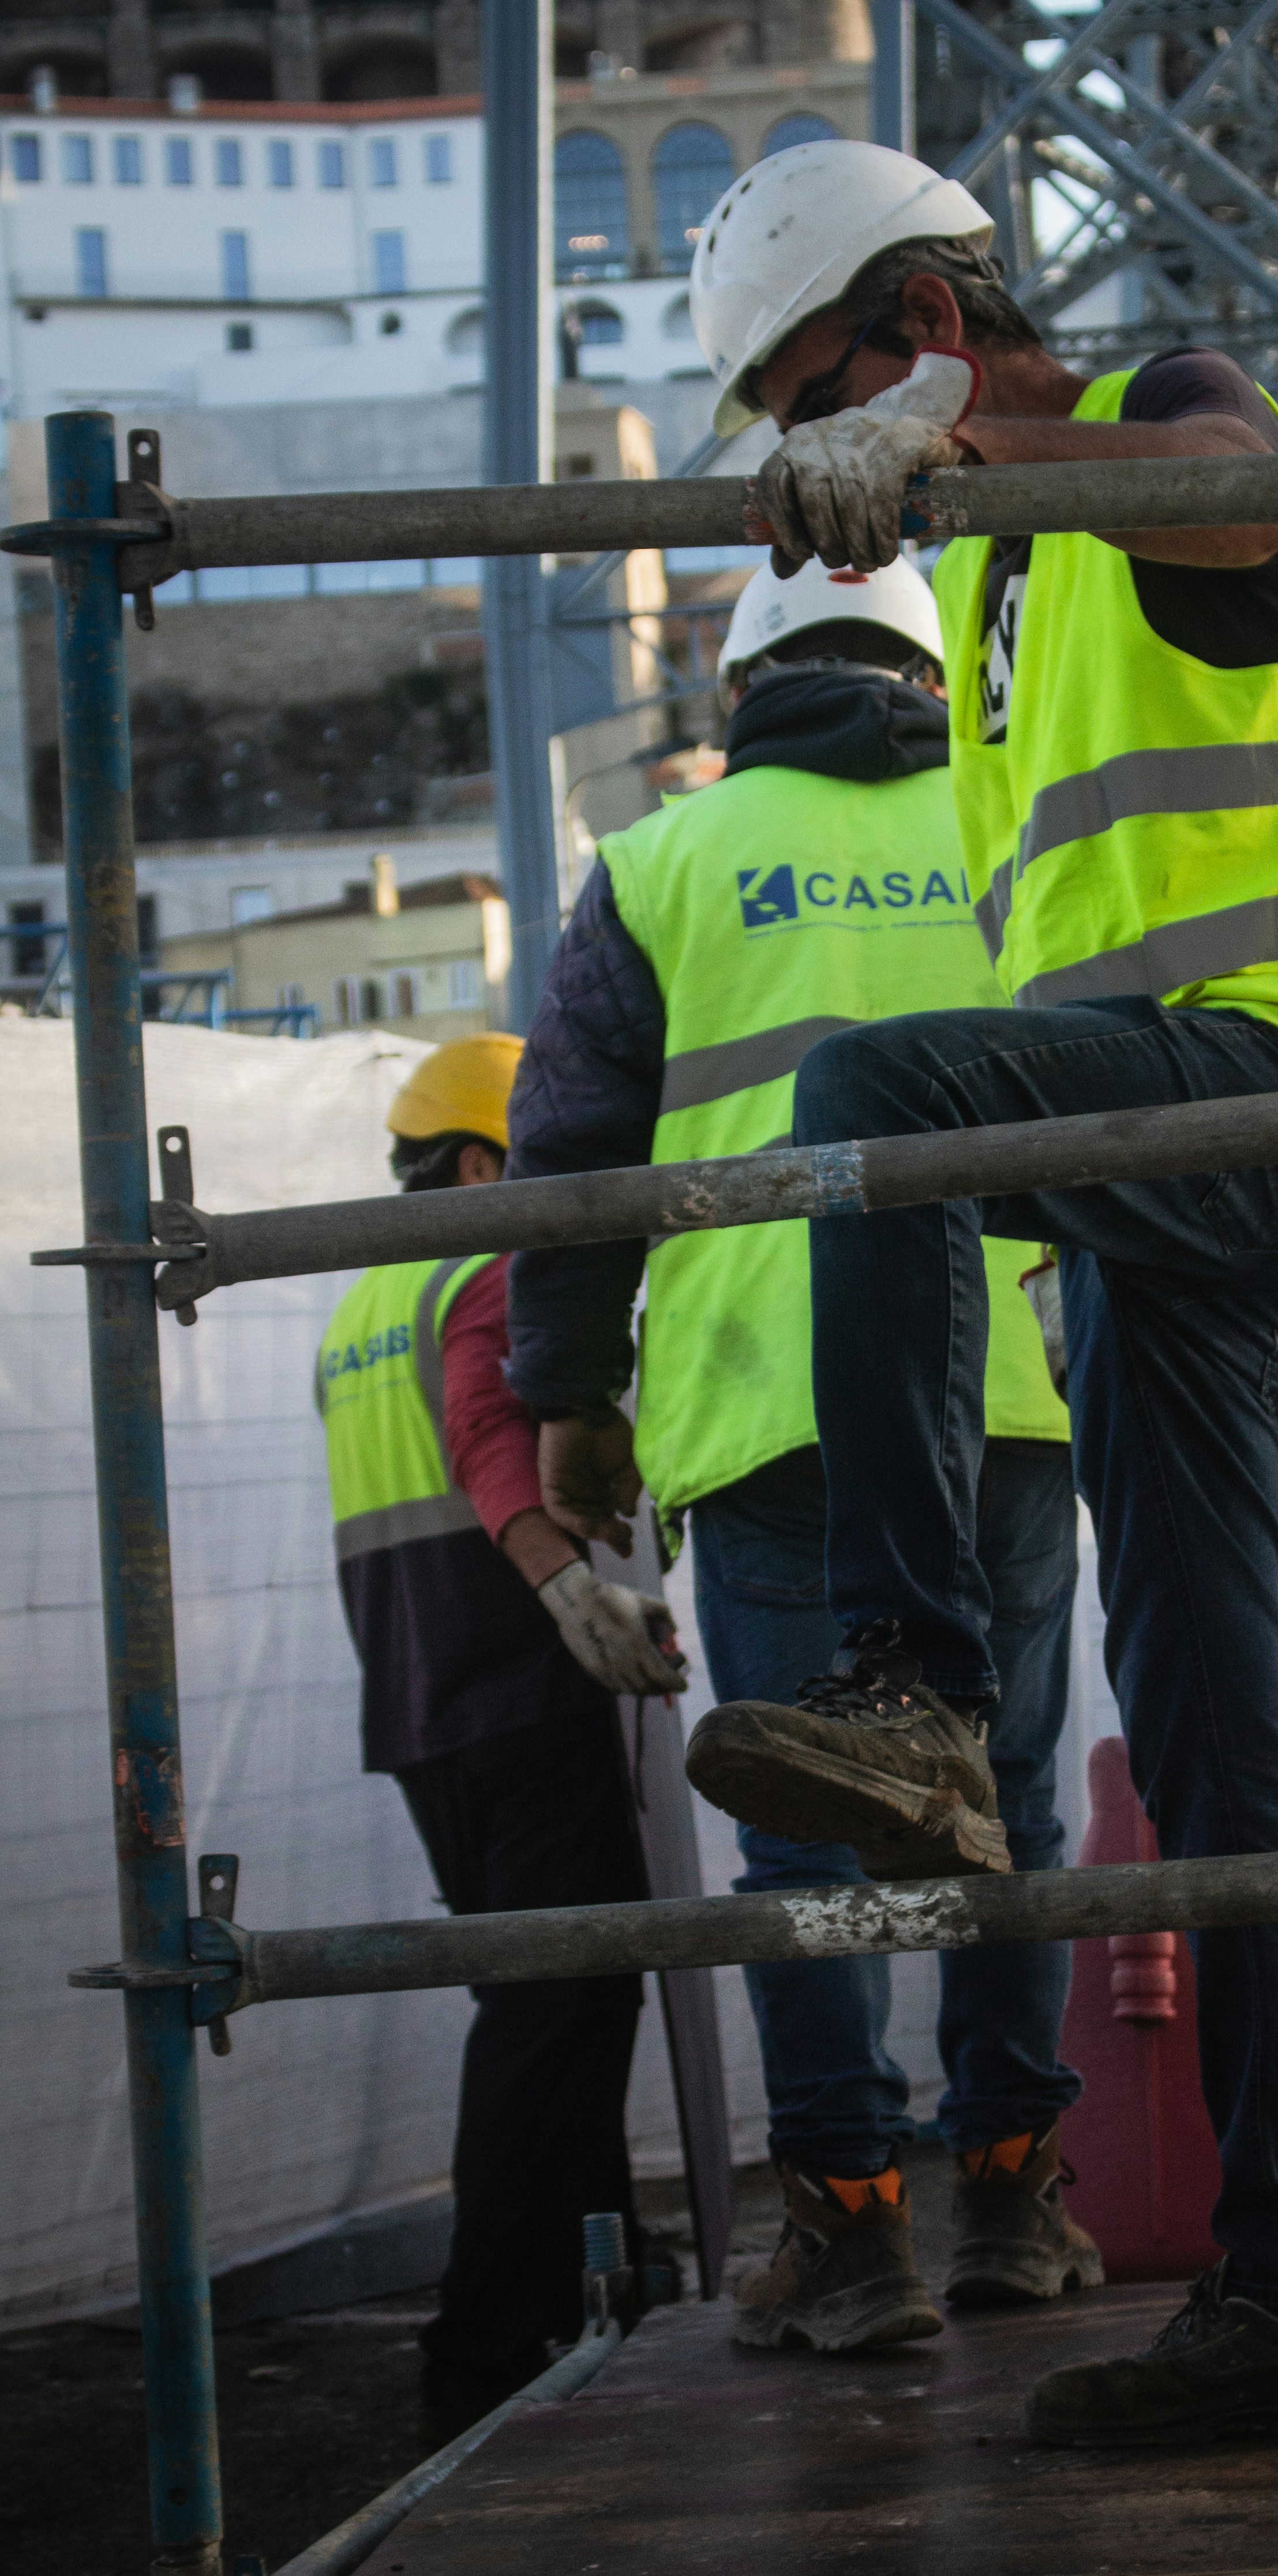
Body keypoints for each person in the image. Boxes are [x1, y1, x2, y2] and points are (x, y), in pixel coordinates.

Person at [634, 136, 1278, 2449]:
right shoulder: (992, 620)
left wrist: (955, 436)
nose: (824, 469)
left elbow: (1224, 491)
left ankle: (906, 1697)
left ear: (919, 323)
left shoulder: (1152, 424)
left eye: (818, 396)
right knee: (1209, 1732)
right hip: (1145, 1191)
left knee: (873, 1083)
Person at [502, 556, 1100, 2354]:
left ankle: (848, 2225)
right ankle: (1008, 2190)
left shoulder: (668, 861)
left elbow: (577, 1153)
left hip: (769, 1406)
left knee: (809, 1846)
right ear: (931, 675)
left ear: (744, 687)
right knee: (1008, 1801)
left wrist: (572, 1392)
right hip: (1002, 1387)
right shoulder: (1016, 824)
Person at [316, 1033, 685, 2424]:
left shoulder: (356, 1299)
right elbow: (487, 1424)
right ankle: (485, 2350)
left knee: (559, 2002)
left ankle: (609, 2277)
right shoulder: (483, 1267)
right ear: (483, 1165)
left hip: (420, 1707)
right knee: (560, 2008)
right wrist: (574, 1583)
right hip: (526, 1684)